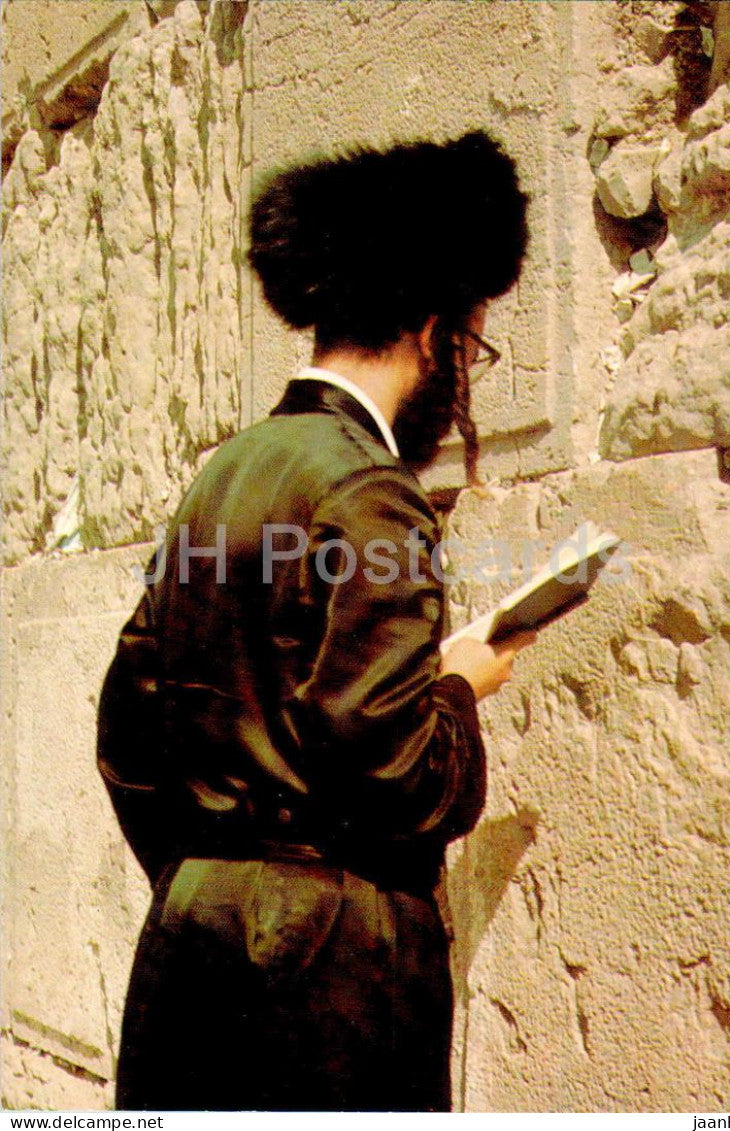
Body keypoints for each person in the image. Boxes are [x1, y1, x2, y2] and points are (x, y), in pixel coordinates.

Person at [97, 129, 534, 1112]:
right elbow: (398, 773)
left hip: (189, 936)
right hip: (333, 966)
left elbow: (127, 728)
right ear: (433, 335)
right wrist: (459, 685)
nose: (465, 372)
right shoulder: (369, 487)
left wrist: (209, 871)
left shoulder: (225, 470)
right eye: (472, 347)